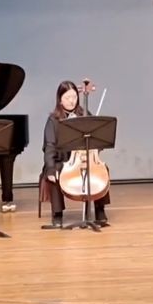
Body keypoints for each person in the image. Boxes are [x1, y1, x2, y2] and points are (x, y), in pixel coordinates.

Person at [42, 80, 110, 228]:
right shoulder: (53, 120)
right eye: (67, 97)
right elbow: (49, 146)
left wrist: (94, 150)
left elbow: (97, 138)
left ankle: (100, 210)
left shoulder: (83, 114)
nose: (71, 101)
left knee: (102, 170)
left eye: (74, 97)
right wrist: (50, 168)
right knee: (54, 173)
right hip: (62, 160)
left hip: (83, 158)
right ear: (60, 99)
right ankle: (57, 214)